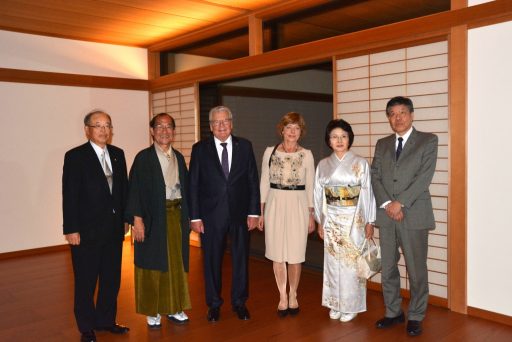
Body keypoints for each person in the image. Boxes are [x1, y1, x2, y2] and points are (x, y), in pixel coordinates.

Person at [371, 96, 438, 336]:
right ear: (388, 117)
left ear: (411, 115)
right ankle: (393, 312)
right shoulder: (382, 143)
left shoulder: (428, 141)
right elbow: (375, 175)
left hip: (414, 213)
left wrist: (401, 203)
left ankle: (417, 315)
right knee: (388, 266)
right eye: (392, 113)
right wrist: (389, 203)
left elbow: (424, 177)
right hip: (387, 214)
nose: (397, 118)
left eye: (402, 112)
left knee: (416, 268)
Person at [188, 105, 260, 322]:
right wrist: (195, 217)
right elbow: (193, 184)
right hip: (211, 215)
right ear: (210, 126)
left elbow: (252, 181)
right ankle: (214, 304)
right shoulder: (200, 149)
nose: (221, 125)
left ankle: (239, 302)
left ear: (231, 123)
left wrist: (254, 212)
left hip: (239, 213)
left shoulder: (245, 146)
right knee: (211, 261)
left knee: (240, 260)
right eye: (216, 122)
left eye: (225, 121)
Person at [62, 110, 129, 342]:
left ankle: (106, 321)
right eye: (98, 125)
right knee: (86, 281)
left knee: (112, 279)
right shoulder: (75, 156)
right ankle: (86, 327)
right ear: (87, 129)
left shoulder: (119, 154)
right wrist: (70, 228)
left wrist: (125, 220)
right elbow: (69, 195)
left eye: (107, 125)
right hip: (86, 232)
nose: (103, 130)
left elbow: (123, 192)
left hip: (113, 230)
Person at [125, 113, 191, 329]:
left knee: (174, 265)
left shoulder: (179, 157)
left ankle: (174, 307)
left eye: (169, 126)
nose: (164, 130)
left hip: (175, 217)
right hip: (152, 219)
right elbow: (134, 190)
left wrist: (189, 218)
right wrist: (138, 221)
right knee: (151, 266)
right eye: (159, 127)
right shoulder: (143, 158)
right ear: (152, 131)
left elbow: (187, 190)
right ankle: (152, 310)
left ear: (174, 131)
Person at [313, 119, 376, 323]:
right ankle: (335, 303)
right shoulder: (323, 164)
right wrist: (320, 221)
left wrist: (369, 221)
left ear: (349, 139)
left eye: (343, 136)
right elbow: (318, 195)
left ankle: (352, 305)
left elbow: (367, 193)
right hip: (331, 218)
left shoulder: (360, 163)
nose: (339, 140)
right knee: (332, 264)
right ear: (328, 141)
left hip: (354, 218)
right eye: (334, 137)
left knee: (351, 264)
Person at [258, 112, 315, 317]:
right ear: (282, 129)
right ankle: (282, 296)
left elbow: (311, 186)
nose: (292, 132)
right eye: (289, 127)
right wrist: (261, 212)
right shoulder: (270, 152)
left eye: (296, 128)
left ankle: (294, 294)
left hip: (298, 203)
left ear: (301, 132)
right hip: (274, 201)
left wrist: (311, 214)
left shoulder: (307, 154)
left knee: (295, 254)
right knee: (277, 253)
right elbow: (264, 181)